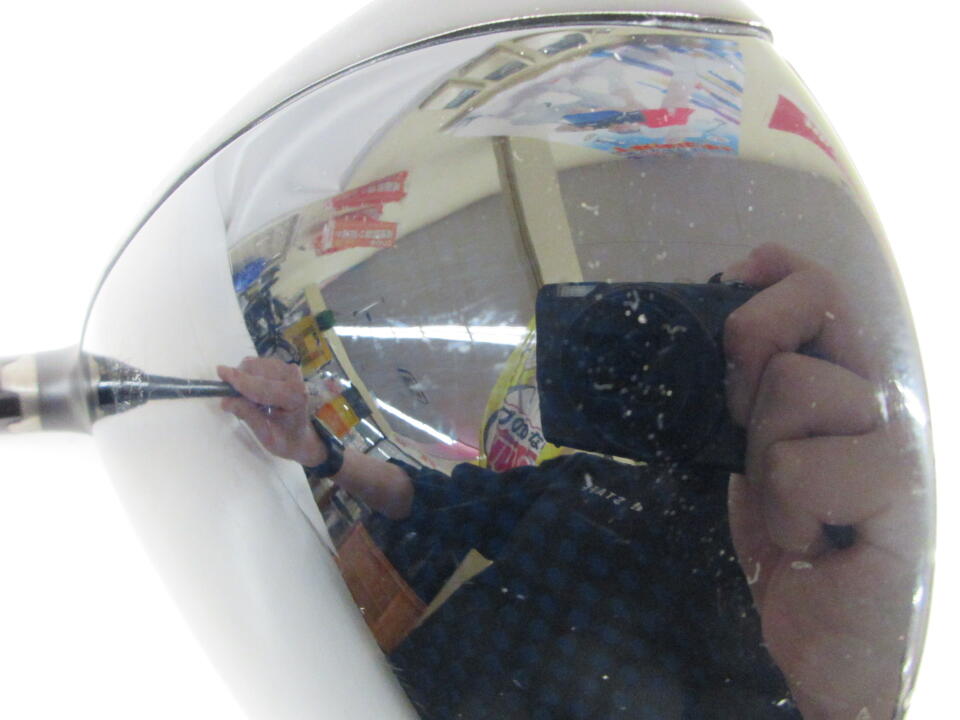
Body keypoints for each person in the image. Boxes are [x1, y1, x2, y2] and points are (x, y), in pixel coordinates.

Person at [217, 245, 923, 720]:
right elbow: (434, 500)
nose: (720, 386)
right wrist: (319, 451)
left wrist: (851, 703)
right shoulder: (588, 480)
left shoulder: (810, 612)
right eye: (709, 349)